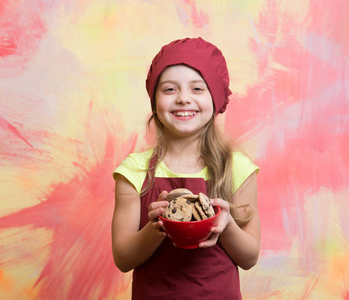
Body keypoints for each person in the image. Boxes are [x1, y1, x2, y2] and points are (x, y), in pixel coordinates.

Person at [111, 37, 260, 299]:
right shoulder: (133, 170)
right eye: (169, 89)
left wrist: (225, 226)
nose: (183, 99)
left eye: (197, 89)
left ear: (215, 98)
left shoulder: (236, 167)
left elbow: (249, 257)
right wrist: (155, 228)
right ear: (154, 99)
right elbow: (123, 259)